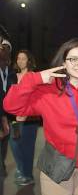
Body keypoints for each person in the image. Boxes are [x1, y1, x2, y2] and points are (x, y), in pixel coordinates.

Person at [4, 38, 78, 195]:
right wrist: (35, 78)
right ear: (64, 63)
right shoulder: (48, 91)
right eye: (73, 59)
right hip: (57, 163)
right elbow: (11, 106)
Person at [9, 49, 39, 186]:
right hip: (15, 118)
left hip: (29, 120)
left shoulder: (33, 76)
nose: (20, 61)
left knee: (27, 147)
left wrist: (26, 113)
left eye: (23, 58)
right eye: (18, 58)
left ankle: (28, 175)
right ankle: (22, 169)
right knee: (15, 145)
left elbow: (36, 98)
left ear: (29, 61)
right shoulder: (14, 76)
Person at [0, 25, 17, 177]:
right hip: (1, 115)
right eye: (1, 48)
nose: (3, 51)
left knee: (4, 143)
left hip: (8, 116)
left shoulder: (12, 74)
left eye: (6, 48)